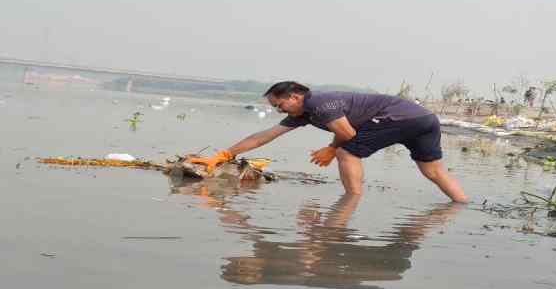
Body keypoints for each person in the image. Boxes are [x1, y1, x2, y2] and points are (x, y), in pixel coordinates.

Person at [190, 81, 469, 203]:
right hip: (425, 120)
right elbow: (264, 136)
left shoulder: (319, 104)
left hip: (399, 117)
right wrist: (223, 155)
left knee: (347, 152)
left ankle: (350, 201)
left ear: (295, 96)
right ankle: (461, 204)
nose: (278, 110)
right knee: (433, 171)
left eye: (279, 104)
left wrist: (331, 149)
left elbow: (348, 134)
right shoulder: (303, 114)